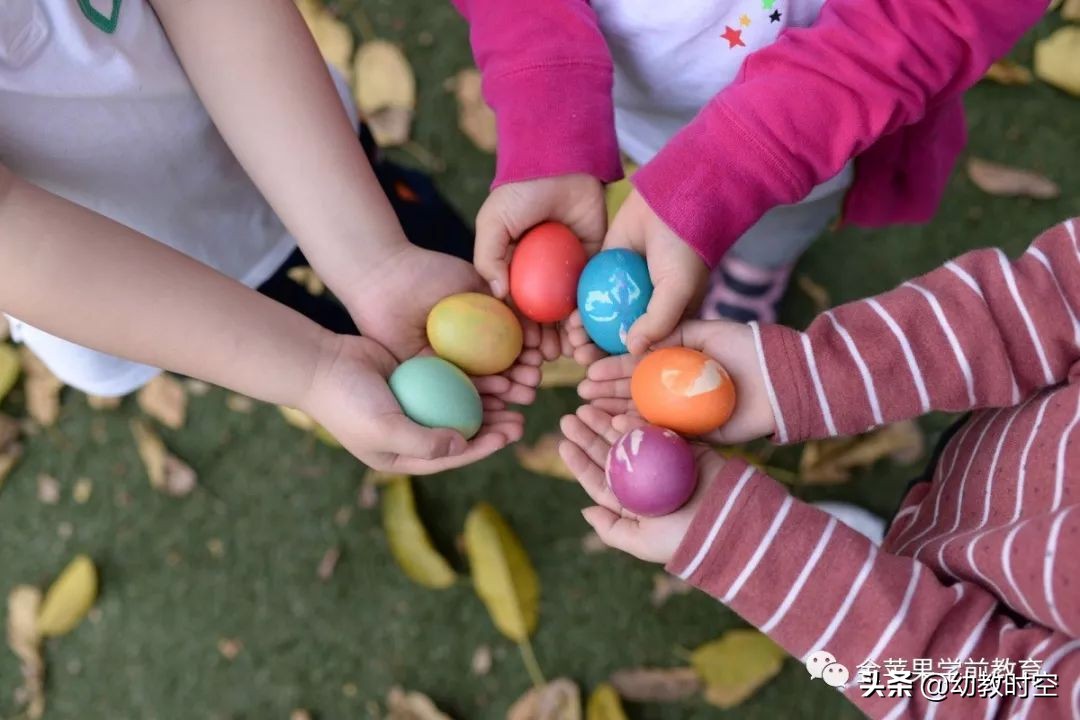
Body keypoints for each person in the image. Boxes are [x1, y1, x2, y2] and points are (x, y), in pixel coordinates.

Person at [561, 218, 1080, 718]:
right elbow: (1051, 298)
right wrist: (805, 376)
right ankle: (896, 555)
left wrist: (746, 548)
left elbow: (961, 694)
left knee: (909, 589)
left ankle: (877, 568)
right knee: (937, 512)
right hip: (999, 469)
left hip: (1012, 602)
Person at [0, 0, 542, 473]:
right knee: (320, 341)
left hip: (307, 151)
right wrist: (312, 369)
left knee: (422, 248)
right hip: (153, 287)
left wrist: (375, 263)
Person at [453, 0, 1046, 357]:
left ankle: (756, 271)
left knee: (779, 221)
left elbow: (933, 17)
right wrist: (554, 121)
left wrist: (730, 167)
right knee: (653, 169)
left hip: (811, 131)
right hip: (628, 105)